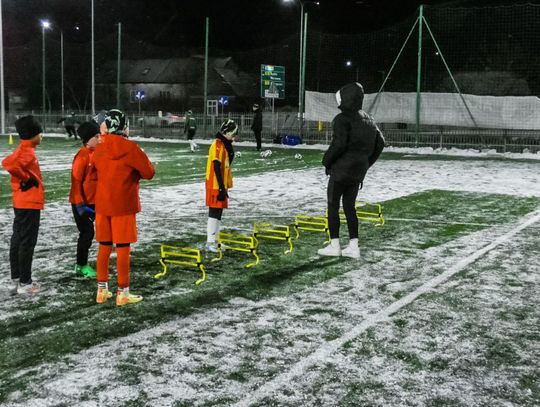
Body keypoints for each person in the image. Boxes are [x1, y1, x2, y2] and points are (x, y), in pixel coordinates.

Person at [92, 109, 155, 306]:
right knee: (122, 248)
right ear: (123, 126)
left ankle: (101, 290)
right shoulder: (130, 148)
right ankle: (123, 292)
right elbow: (149, 173)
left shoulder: (99, 147)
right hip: (124, 204)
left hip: (103, 204)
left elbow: (95, 171)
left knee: (104, 245)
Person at [318, 82, 385, 259]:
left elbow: (339, 144)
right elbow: (381, 143)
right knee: (350, 207)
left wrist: (326, 162)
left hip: (341, 170)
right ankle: (353, 247)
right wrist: (366, 163)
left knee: (333, 206)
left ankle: (334, 245)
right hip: (358, 171)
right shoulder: (369, 119)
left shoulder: (342, 119)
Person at [2, 115, 44, 295]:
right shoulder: (27, 151)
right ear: (32, 134)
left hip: (22, 202)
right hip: (28, 203)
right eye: (39, 133)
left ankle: (16, 279)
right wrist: (27, 178)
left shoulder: (25, 149)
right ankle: (25, 283)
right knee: (27, 242)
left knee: (18, 240)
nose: (41, 136)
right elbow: (8, 164)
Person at [69, 121, 100, 278]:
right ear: (88, 139)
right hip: (81, 203)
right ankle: (81, 265)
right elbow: (76, 181)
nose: (99, 139)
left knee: (98, 230)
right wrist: (80, 204)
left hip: (94, 202)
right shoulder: (82, 156)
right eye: (96, 136)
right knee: (87, 233)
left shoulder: (97, 152)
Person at [205, 119, 238, 252]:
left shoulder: (224, 144)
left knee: (219, 212)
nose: (234, 137)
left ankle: (215, 240)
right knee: (214, 211)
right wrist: (220, 187)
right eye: (233, 134)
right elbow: (216, 165)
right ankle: (210, 242)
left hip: (220, 184)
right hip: (215, 184)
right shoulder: (218, 144)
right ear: (227, 133)